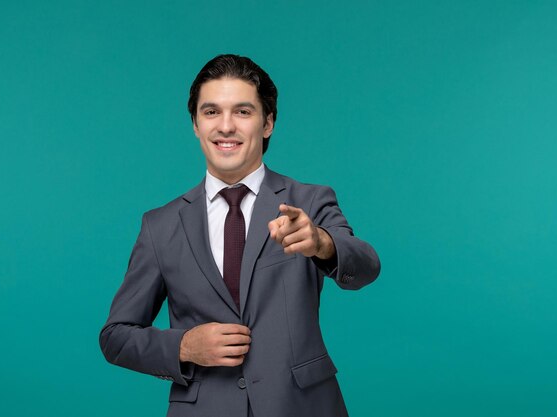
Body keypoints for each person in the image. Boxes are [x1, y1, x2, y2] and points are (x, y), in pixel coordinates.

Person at [99, 54, 381, 417]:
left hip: (302, 407)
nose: (226, 126)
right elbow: (116, 337)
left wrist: (321, 242)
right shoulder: (160, 225)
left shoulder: (308, 201)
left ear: (268, 124)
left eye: (243, 112)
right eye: (211, 112)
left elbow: (366, 266)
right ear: (196, 126)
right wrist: (183, 346)